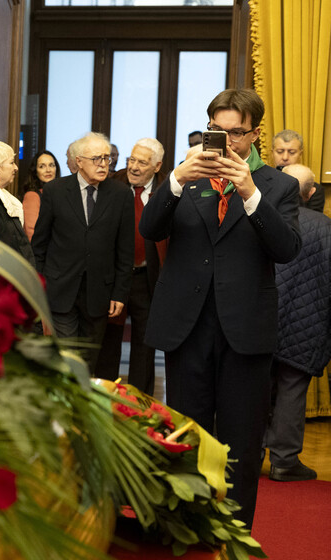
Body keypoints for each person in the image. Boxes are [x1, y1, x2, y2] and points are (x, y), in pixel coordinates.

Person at [139, 88, 301, 528]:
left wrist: (250, 193)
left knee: (241, 446)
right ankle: (187, 530)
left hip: (245, 329)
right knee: (187, 439)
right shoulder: (185, 177)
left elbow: (286, 249)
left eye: (236, 133)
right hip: (185, 326)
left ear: (254, 134)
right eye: (217, 130)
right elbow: (150, 228)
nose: (226, 141)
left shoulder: (279, 186)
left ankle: (232, 534)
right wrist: (173, 181)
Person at [31, 132, 134, 371]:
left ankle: (81, 405)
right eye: (96, 158)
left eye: (106, 158)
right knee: (66, 359)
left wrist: (120, 293)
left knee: (88, 361)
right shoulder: (55, 191)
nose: (103, 164)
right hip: (60, 288)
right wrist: (40, 284)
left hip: (100, 292)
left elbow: (125, 250)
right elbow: (40, 244)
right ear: (79, 161)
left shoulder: (120, 195)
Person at [263, 163, 331, 482]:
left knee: (256, 388)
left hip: (261, 318)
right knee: (292, 389)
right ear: (311, 193)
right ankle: (284, 460)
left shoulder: (262, 218)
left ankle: (248, 452)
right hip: (308, 324)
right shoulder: (326, 227)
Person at [94, 138, 167, 395]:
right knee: (109, 342)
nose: (134, 167)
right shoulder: (113, 185)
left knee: (144, 346)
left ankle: (139, 404)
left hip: (148, 278)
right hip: (115, 278)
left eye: (142, 162)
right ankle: (104, 398)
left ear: (157, 166)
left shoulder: (167, 190)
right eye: (131, 160)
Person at [271, 129, 325, 212]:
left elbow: (312, 221)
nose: (285, 157)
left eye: (292, 152)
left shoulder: (313, 189)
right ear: (272, 153)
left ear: (300, 154)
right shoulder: (263, 182)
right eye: (280, 152)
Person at [21, 150, 60, 240]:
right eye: (42, 166)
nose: (48, 170)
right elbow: (32, 232)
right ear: (35, 171)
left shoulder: (61, 193)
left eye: (51, 165)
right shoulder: (32, 196)